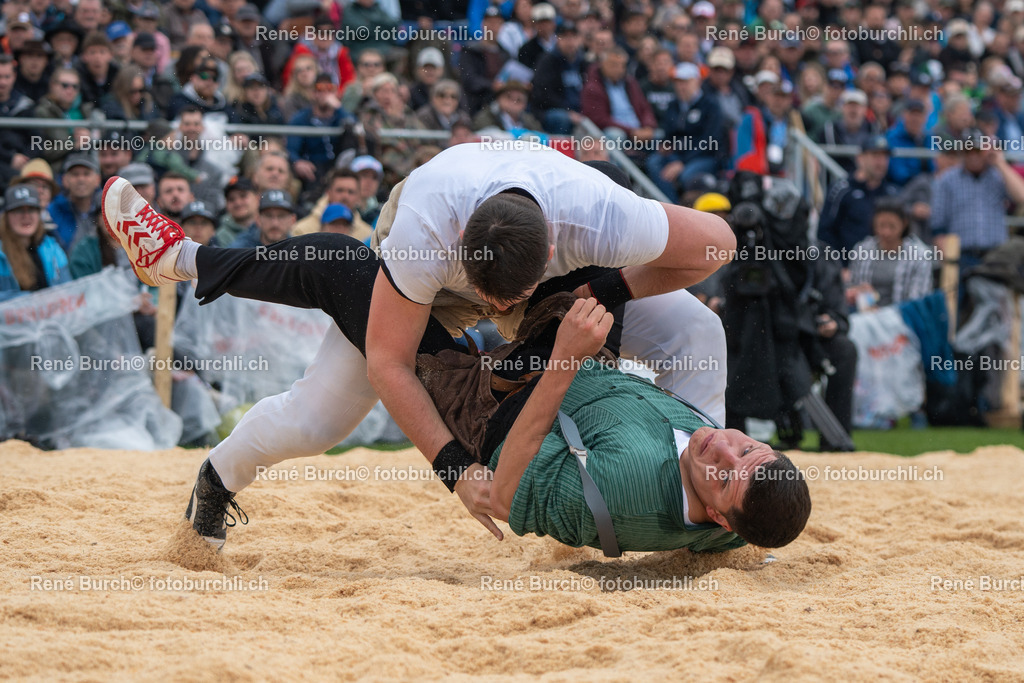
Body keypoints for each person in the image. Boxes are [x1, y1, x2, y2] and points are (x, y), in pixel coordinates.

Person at [101, 175, 809, 553]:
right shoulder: (431, 236)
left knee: (323, 375)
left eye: (726, 469)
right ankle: (183, 267)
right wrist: (606, 301)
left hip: (499, 398)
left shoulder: (631, 490)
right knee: (696, 327)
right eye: (744, 446)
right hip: (525, 343)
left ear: (717, 516)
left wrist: (457, 465)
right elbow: (389, 359)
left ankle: (184, 264)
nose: (723, 447)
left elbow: (498, 484)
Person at [818, 135, 900, 263]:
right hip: (846, 269)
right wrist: (838, 268)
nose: (880, 162)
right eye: (875, 156)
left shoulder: (892, 193)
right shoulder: (841, 190)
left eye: (884, 157)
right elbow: (825, 232)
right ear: (860, 158)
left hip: (883, 269)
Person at [847, 199, 934, 309]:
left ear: (904, 224)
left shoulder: (920, 255)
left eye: (892, 226)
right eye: (881, 225)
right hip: (865, 315)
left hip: (902, 320)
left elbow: (917, 301)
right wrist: (858, 291)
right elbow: (852, 285)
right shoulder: (862, 249)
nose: (886, 232)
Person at [0, 185, 71, 302]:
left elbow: (69, 290)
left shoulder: (52, 248)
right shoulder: (1, 255)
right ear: (7, 216)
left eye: (32, 209)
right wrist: (32, 300)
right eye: (19, 210)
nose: (26, 216)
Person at [228, 190, 297, 247]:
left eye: (281, 216)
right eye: (268, 216)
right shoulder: (241, 249)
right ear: (258, 220)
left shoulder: (299, 250)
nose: (275, 223)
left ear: (292, 220)